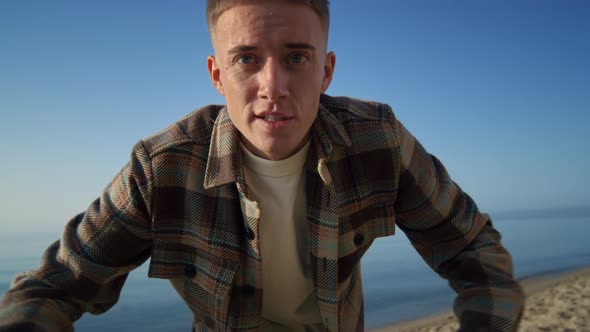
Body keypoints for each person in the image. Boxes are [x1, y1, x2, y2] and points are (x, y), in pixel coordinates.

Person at [0, 0, 524, 331]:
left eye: (296, 57)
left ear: (326, 70)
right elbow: (50, 289)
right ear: (216, 74)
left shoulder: (377, 142)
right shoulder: (163, 169)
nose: (271, 87)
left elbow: (474, 252)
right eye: (247, 58)